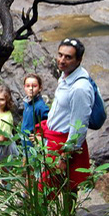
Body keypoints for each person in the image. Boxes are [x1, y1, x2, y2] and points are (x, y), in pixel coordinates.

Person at [39, 37, 93, 192]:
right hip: (53, 140)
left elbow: (80, 126)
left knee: (44, 191)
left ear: (79, 60)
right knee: (66, 188)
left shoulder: (79, 88)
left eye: (68, 57)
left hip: (64, 146)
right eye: (60, 55)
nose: (62, 60)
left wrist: (64, 157)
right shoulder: (66, 75)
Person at [20, 73, 50, 154]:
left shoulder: (40, 106)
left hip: (34, 146)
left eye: (34, 86)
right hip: (25, 143)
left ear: (40, 88)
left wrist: (41, 137)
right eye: (28, 86)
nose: (31, 88)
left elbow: (48, 123)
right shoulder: (27, 103)